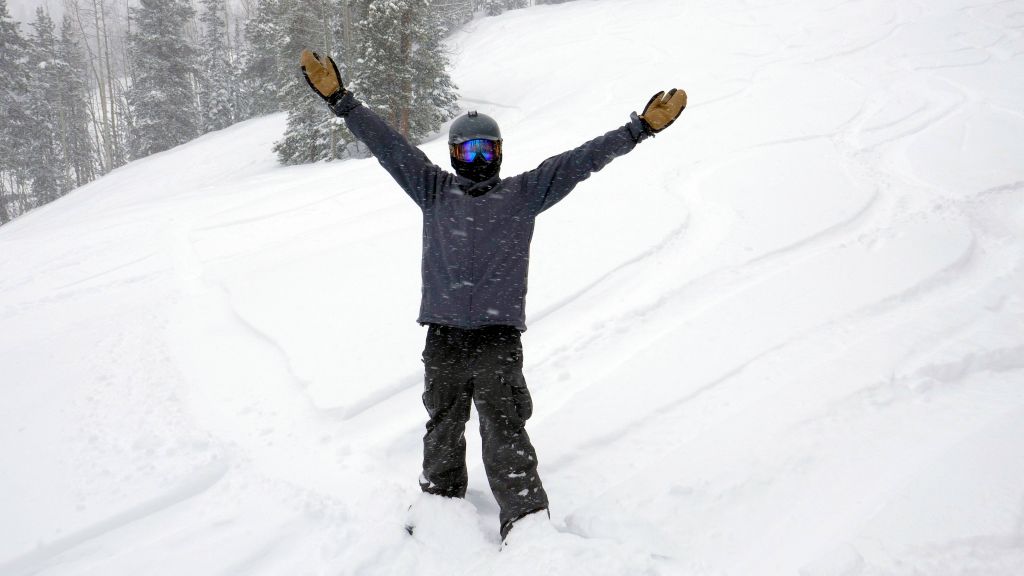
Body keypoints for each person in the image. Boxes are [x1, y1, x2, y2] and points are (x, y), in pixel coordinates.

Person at [299, 49, 686, 542]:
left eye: (485, 151)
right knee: (442, 422)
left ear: (499, 154)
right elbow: (390, 146)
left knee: (503, 426)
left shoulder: (525, 194)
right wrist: (341, 101)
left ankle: (525, 522)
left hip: (496, 339)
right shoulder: (433, 189)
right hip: (443, 335)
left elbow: (582, 160)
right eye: (467, 152)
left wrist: (639, 129)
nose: (477, 160)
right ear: (453, 155)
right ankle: (440, 504)